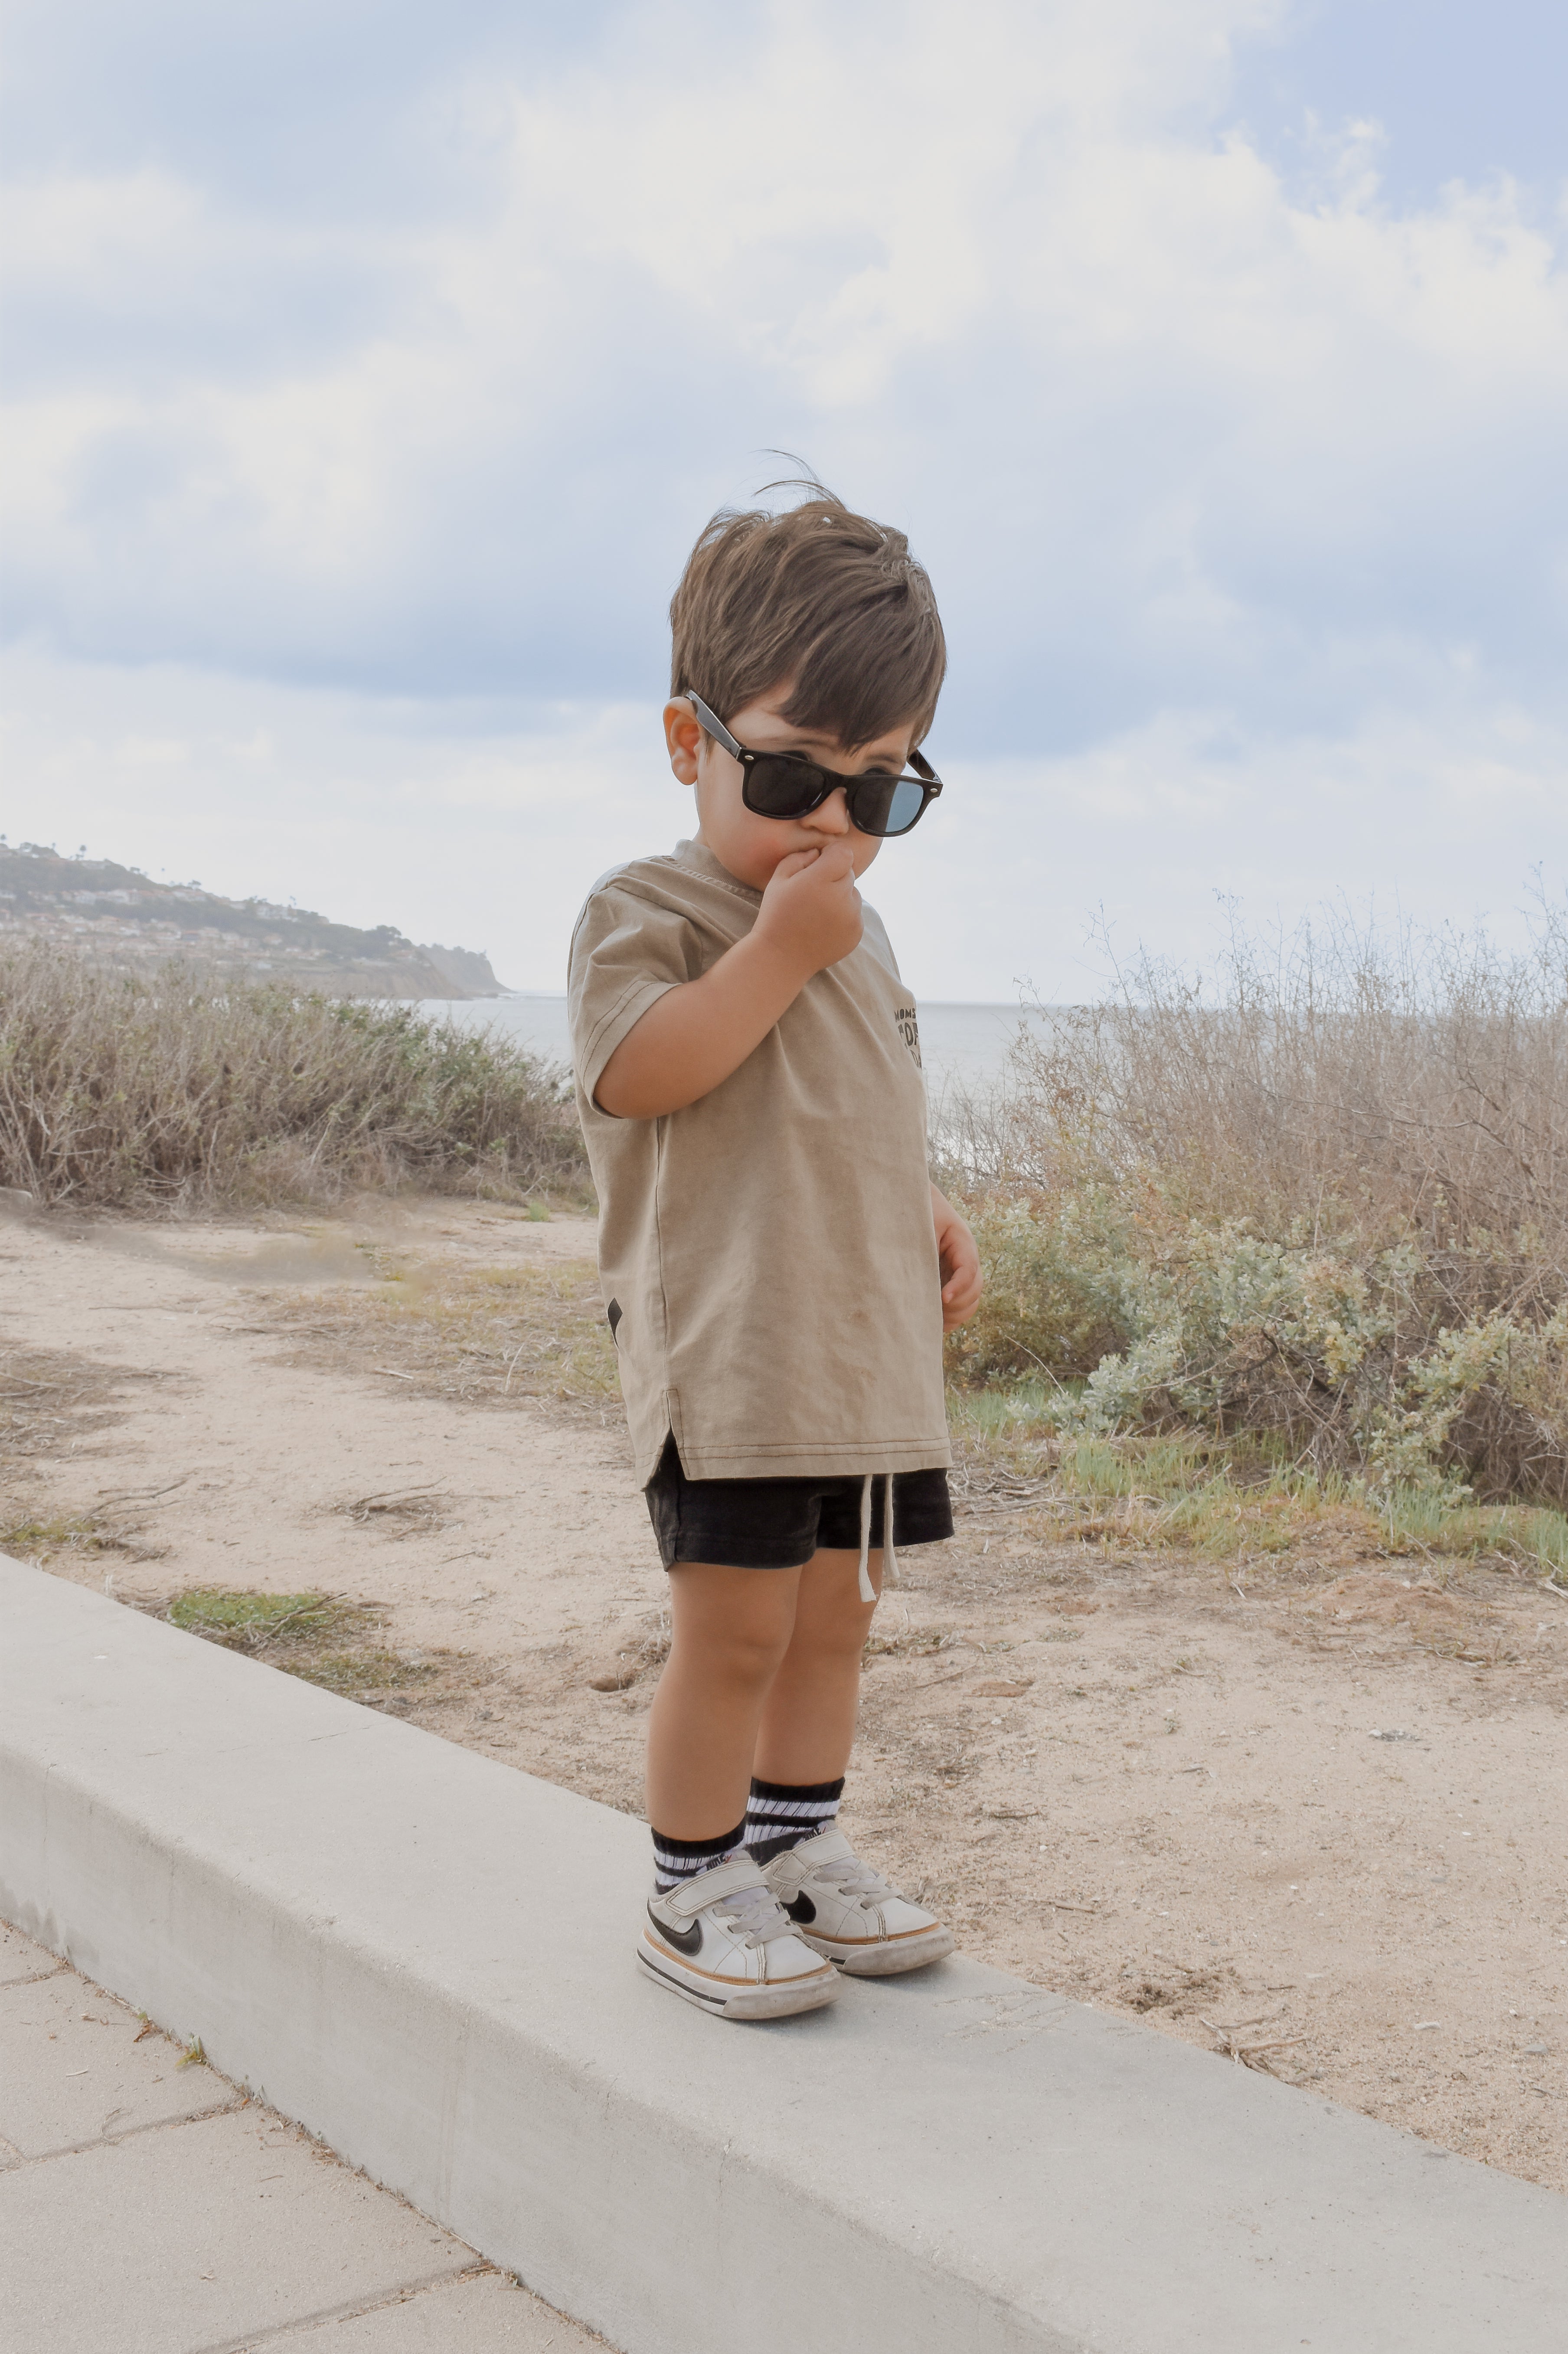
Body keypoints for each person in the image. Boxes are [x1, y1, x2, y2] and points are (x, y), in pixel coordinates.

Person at [568, 484, 982, 2021]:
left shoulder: (856, 934)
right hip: (732, 1352)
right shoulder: (653, 910)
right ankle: (693, 1882)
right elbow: (645, 1074)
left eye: (878, 793)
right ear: (691, 744)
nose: (833, 825)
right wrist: (774, 948)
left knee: (834, 1620)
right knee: (732, 1630)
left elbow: (872, 1101)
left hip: (857, 1348)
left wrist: (927, 1210)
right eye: (802, 774)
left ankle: (797, 1846)